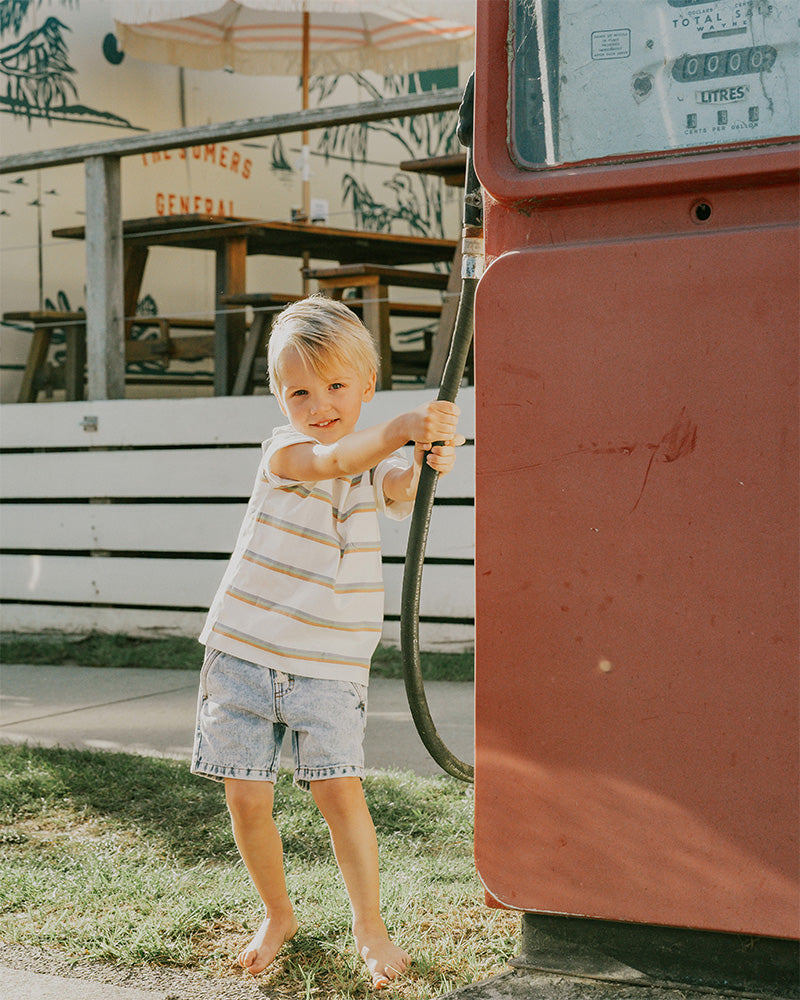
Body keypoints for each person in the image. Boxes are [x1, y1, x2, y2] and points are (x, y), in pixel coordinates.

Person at [191, 295, 463, 988]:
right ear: (281, 398)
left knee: (341, 794)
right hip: (246, 652)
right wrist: (401, 426)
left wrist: (426, 457)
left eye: (337, 386)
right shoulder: (287, 450)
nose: (319, 403)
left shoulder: (369, 465)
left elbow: (394, 482)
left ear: (365, 385)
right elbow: (331, 459)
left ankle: (369, 925)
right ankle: (277, 911)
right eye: (300, 391)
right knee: (246, 797)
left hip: (330, 665)